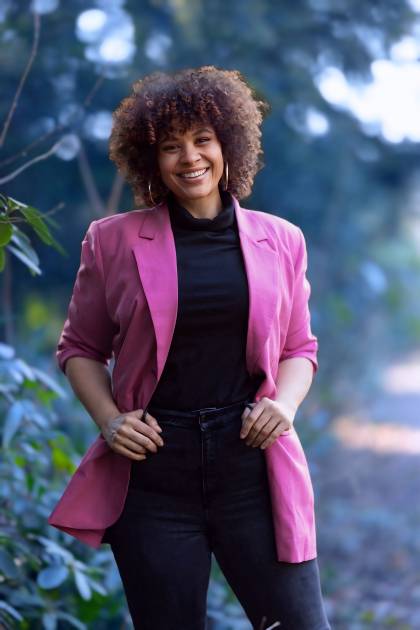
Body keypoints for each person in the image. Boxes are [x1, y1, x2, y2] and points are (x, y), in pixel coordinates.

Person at [48, 65, 331, 630]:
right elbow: (79, 348)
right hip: (154, 474)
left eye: (202, 139)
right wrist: (109, 420)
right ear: (151, 159)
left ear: (228, 145)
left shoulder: (282, 239)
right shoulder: (112, 240)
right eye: (170, 146)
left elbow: (299, 348)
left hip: (252, 465)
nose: (189, 157)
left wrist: (285, 406)